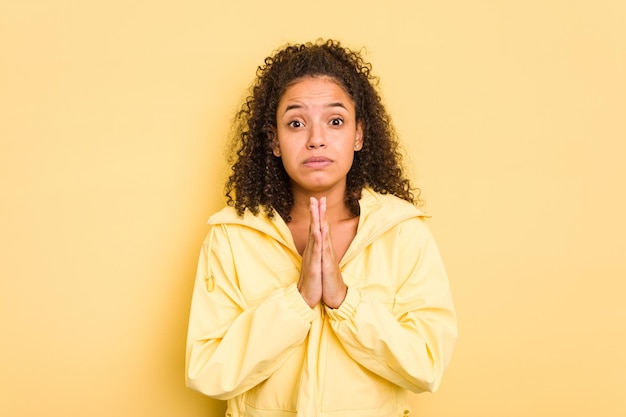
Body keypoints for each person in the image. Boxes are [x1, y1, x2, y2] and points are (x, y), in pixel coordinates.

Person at [186, 39, 457, 417]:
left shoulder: (403, 233)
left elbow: (425, 367)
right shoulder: (231, 237)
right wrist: (297, 300)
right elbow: (206, 371)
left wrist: (345, 300)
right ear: (274, 141)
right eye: (296, 123)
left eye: (335, 121)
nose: (316, 138)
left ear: (359, 135)